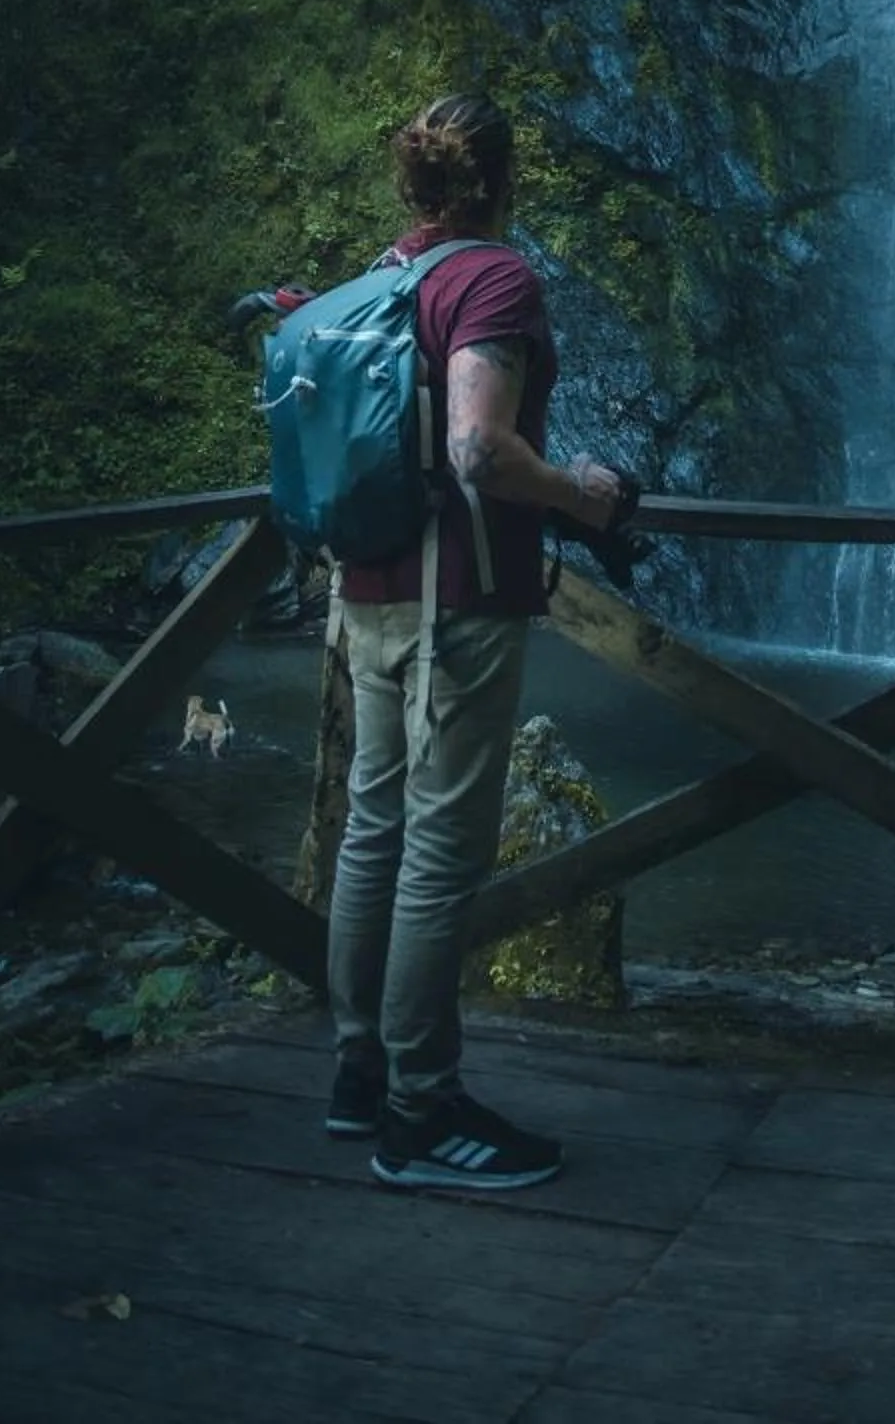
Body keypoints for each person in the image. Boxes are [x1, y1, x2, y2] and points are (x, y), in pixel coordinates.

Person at [324, 91, 623, 1191]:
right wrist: (581, 499)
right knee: (439, 854)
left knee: (372, 830)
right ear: (501, 182)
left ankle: (358, 1076)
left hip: (367, 593)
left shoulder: (380, 278)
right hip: (460, 601)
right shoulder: (490, 278)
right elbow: (478, 451)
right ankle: (420, 1110)